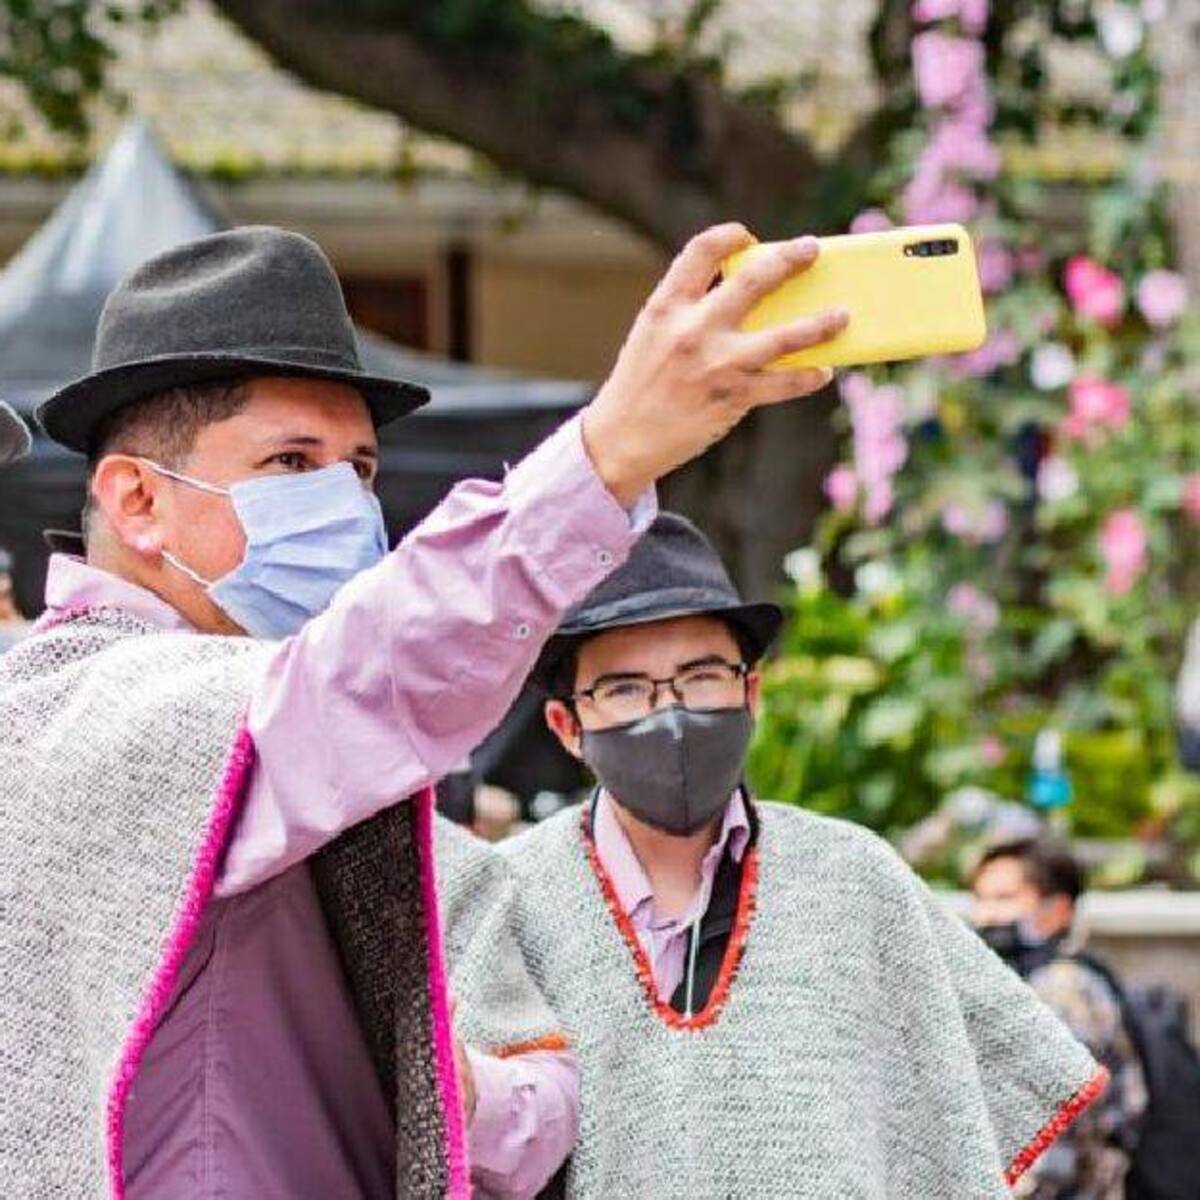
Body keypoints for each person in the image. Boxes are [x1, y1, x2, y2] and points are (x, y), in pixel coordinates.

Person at [0, 221, 849, 1198]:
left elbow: (546, 1114)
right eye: (290, 463)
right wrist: (610, 449)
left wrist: (461, 1091)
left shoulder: (352, 794)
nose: (346, 506)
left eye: (358, 470)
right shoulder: (79, 708)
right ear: (138, 502)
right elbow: (374, 668)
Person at [438, 512, 1108, 1199]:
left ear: (750, 691)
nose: (669, 714)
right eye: (624, 688)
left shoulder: (854, 879)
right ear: (567, 725)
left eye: (701, 677)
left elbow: (963, 1105)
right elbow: (472, 1143)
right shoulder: (505, 894)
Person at [972, 837, 1148, 1199]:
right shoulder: (1032, 983)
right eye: (981, 899)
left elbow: (1055, 1129)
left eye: (1005, 899)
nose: (985, 916)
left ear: (1057, 911)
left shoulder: (1062, 991)